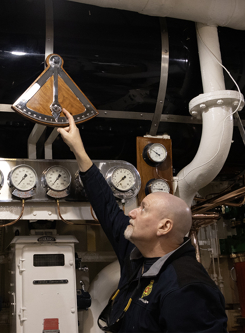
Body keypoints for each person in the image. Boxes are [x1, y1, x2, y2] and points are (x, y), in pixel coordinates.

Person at [57, 109, 227, 332]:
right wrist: (78, 149)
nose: (132, 213)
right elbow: (107, 206)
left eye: (143, 209)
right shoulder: (135, 255)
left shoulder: (187, 286)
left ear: (164, 226)